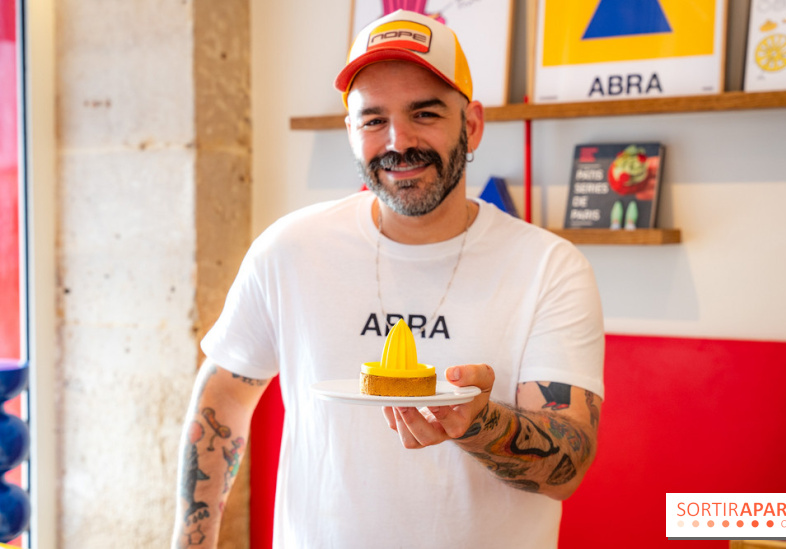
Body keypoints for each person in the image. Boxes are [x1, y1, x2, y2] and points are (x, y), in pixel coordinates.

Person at [171, 9, 604, 549]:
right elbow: (226, 397)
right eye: (373, 119)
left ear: (470, 124)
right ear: (350, 130)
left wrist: (479, 423)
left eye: (424, 114)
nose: (398, 141)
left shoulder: (550, 267)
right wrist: (192, 541)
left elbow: (568, 466)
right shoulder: (290, 249)